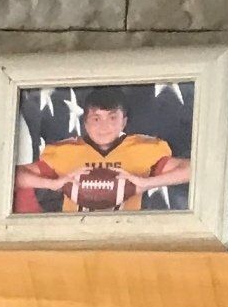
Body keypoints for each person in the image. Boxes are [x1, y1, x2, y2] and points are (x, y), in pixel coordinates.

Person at [13, 87, 191, 214]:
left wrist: (147, 183)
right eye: (96, 119)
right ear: (85, 122)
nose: (104, 126)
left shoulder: (142, 149)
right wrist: (52, 184)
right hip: (74, 235)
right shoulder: (65, 152)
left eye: (112, 118)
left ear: (124, 122)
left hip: (126, 234)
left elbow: (192, 170)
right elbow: (13, 176)